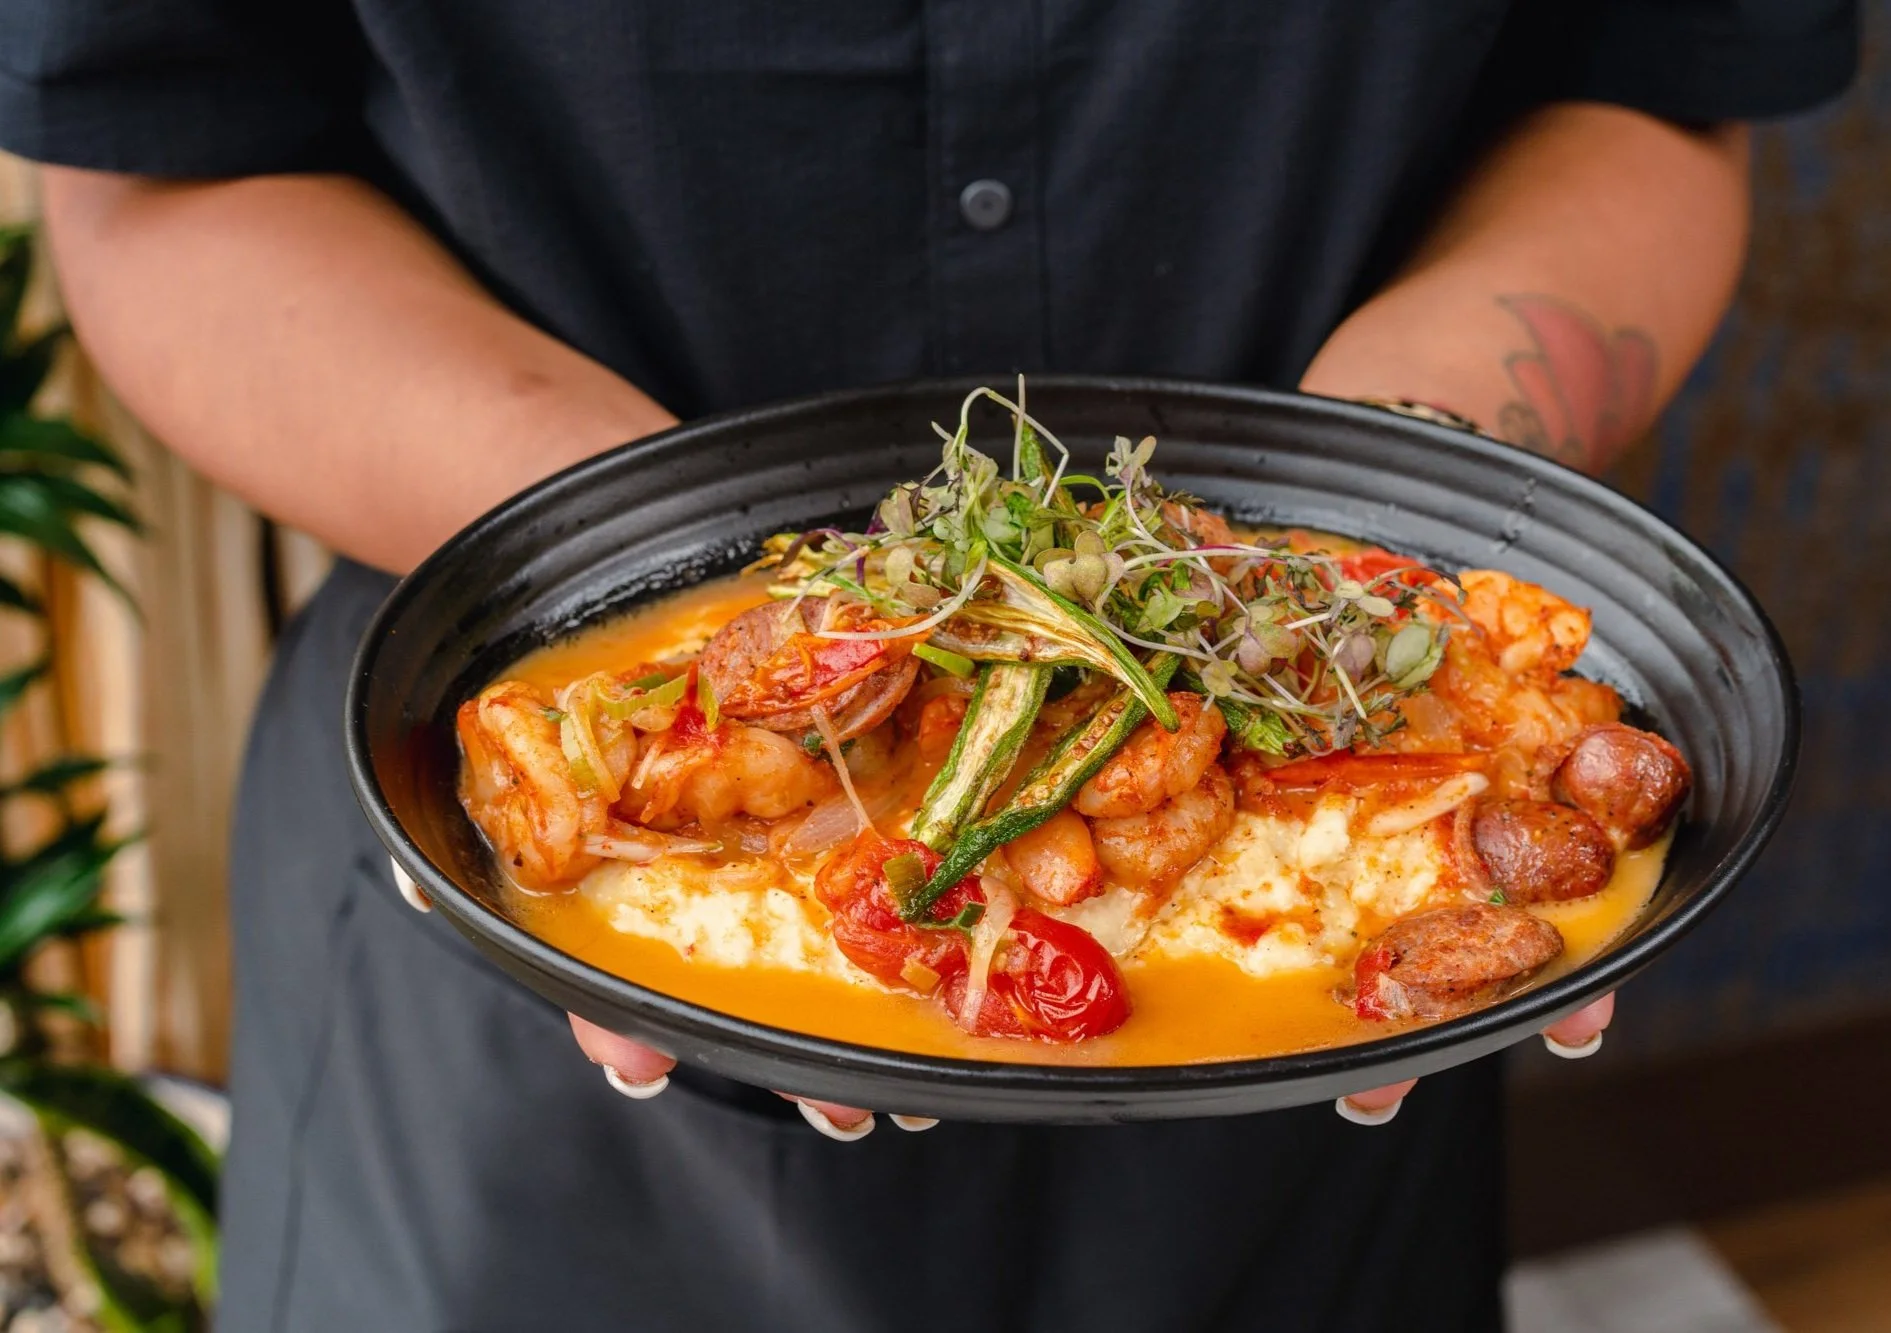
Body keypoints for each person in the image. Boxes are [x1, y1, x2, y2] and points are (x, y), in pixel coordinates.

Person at [0, 2, 1856, 1328]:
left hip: (1307, 1098)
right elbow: (162, 171)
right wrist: (659, 591)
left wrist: (1367, 541)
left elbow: (1657, 82)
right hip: (500, 1057)